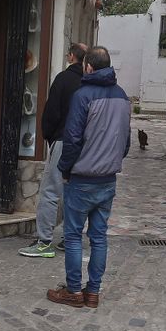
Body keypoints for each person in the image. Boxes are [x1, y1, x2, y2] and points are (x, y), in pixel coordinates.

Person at [48, 47, 131, 309]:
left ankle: (74, 291)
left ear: (88, 67)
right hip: (108, 179)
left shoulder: (82, 96)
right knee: (99, 237)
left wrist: (64, 168)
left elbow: (72, 138)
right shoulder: (122, 97)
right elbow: (126, 141)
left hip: (82, 178)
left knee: (73, 236)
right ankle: (92, 292)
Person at [19, 42, 88, 258]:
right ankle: (69, 238)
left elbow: (52, 112)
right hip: (84, 145)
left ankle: (44, 241)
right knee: (72, 191)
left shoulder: (63, 79)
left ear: (70, 57)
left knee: (50, 190)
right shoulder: (89, 83)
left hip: (63, 140)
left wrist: (49, 136)